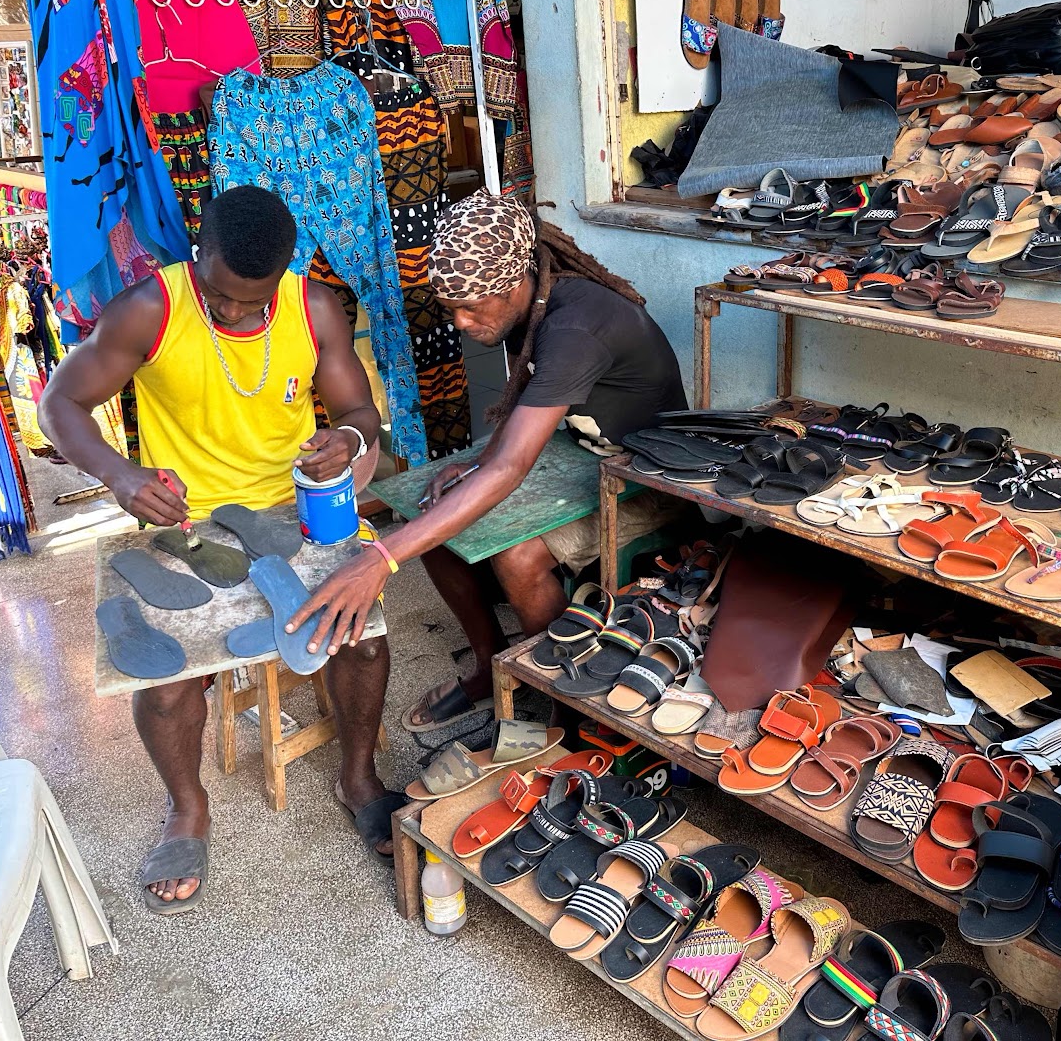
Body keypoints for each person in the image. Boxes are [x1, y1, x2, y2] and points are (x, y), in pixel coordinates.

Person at [39, 185, 400, 914]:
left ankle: (357, 777)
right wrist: (118, 474)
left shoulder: (313, 309)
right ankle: (187, 807)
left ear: (285, 274)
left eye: (252, 301)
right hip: (186, 520)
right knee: (164, 676)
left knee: (362, 636)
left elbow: (360, 412)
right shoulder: (150, 308)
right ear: (196, 254)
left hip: (296, 508)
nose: (235, 313)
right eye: (221, 297)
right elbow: (59, 404)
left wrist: (350, 439)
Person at [286, 191, 686, 731]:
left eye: (471, 306)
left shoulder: (575, 328)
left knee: (518, 557)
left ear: (514, 283)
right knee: (428, 509)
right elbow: (524, 418)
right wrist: (479, 462)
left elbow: (510, 468)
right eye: (451, 308)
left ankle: (571, 700)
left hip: (649, 479)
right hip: (583, 451)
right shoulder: (532, 306)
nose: (460, 322)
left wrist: (379, 557)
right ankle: (489, 664)